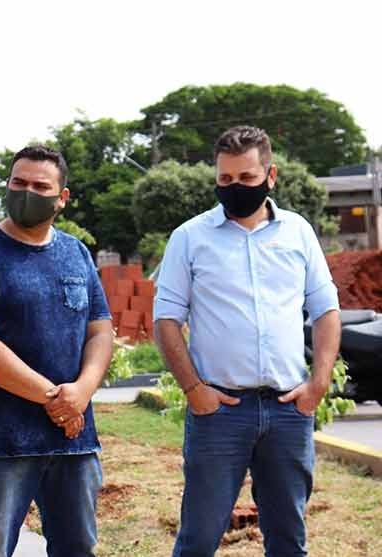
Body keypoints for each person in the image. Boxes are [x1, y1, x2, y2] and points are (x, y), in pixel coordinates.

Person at [154, 125, 341, 557]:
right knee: (199, 539)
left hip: (288, 410)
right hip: (220, 413)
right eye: (225, 180)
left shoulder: (298, 233)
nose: (234, 188)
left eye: (246, 179)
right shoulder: (190, 237)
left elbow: (326, 309)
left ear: (270, 176)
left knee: (289, 539)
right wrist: (194, 391)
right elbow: (166, 319)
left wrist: (318, 384)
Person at [0, 145, 114, 556]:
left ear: (62, 198)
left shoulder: (75, 253)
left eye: (40, 186)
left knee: (78, 549)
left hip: (74, 442)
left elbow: (100, 331)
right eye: (18, 183)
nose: (27, 192)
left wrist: (82, 392)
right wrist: (57, 400)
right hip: (1, 442)